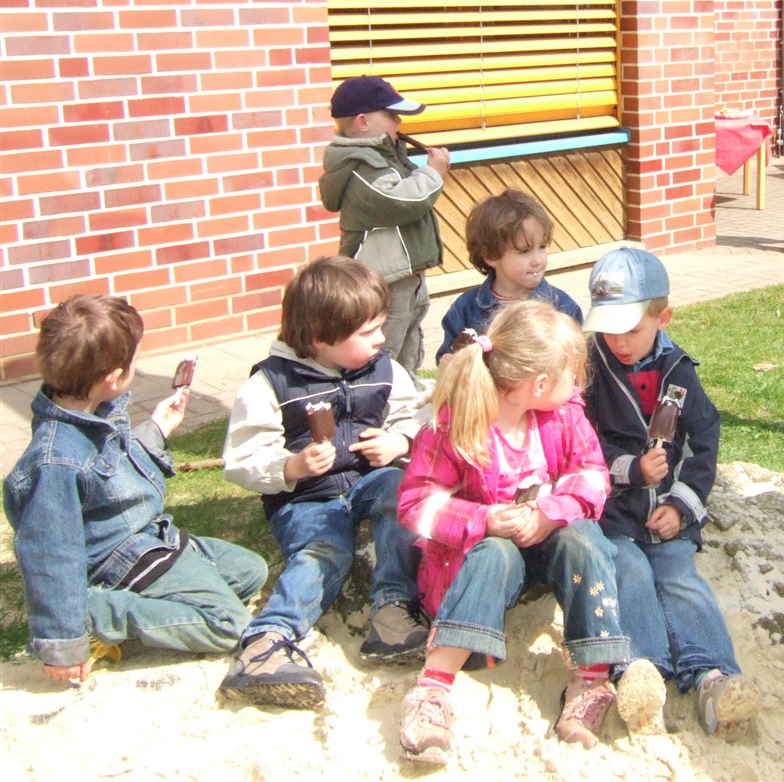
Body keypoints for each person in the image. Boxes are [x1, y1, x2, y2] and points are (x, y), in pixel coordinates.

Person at [396, 300, 630, 764]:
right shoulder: (457, 425)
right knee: (494, 552)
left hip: (546, 544)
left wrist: (550, 512)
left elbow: (592, 476)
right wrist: (482, 519)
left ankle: (592, 677)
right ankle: (433, 688)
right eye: (571, 376)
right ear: (540, 384)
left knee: (583, 538)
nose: (577, 385)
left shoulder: (563, 417)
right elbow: (415, 504)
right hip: (482, 561)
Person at [4, 296, 267, 683]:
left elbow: (113, 476)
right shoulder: (55, 463)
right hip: (119, 561)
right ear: (113, 378)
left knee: (251, 571)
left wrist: (156, 430)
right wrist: (64, 640)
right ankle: (94, 612)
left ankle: (154, 598)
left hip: (149, 538)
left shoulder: (91, 413)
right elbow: (51, 555)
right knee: (227, 624)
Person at [219, 256, 429, 709]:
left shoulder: (384, 371)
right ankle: (267, 643)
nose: (380, 339)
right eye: (368, 332)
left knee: (401, 497)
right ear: (320, 339)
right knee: (326, 551)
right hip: (307, 500)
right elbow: (241, 458)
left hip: (370, 480)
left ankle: (392, 613)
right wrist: (291, 466)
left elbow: (416, 415)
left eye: (380, 326)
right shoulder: (272, 383)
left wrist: (399, 441)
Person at [580, 247, 761, 738]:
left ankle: (712, 677)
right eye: (608, 329)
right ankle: (641, 672)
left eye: (631, 329)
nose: (618, 342)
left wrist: (681, 505)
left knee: (679, 575)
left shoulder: (678, 370)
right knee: (629, 571)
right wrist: (631, 471)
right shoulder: (590, 369)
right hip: (613, 511)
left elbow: (703, 441)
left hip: (666, 514)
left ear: (663, 318)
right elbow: (581, 444)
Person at [319, 74, 452, 375]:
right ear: (363, 122)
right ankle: (378, 395)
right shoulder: (361, 165)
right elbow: (401, 201)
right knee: (382, 350)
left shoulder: (385, 156)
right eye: (392, 115)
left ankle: (405, 389)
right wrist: (433, 173)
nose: (399, 123)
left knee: (409, 341)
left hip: (405, 274)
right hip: (382, 281)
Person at [436, 188, 582, 365]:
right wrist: (451, 363)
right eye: (524, 251)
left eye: (542, 247)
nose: (538, 260)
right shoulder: (465, 309)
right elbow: (449, 362)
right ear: (490, 256)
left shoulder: (562, 307)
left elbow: (578, 365)